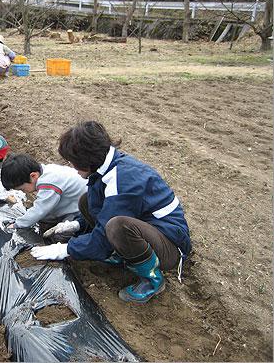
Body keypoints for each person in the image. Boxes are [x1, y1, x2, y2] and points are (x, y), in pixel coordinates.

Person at [30, 121, 192, 304]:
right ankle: (123, 253)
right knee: (86, 201)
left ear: (87, 160)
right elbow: (103, 209)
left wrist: (64, 249)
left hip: (169, 244)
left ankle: (152, 280)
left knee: (117, 227)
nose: (72, 166)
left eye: (73, 162)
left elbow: (105, 234)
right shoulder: (105, 168)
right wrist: (76, 224)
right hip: (147, 228)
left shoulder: (124, 179)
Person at [0, 153, 87, 237]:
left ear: (33, 176)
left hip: (84, 211)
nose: (23, 192)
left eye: (22, 189)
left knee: (59, 234)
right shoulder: (46, 171)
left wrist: (17, 224)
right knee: (45, 218)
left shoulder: (48, 183)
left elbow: (39, 210)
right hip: (76, 201)